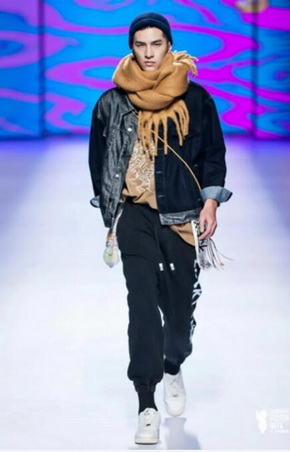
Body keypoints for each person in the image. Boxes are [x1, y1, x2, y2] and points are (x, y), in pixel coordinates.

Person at [88, 12, 232, 445]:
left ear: (169, 45)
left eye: (156, 44)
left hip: (181, 215)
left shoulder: (196, 98)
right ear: (131, 48)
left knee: (178, 314)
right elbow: (99, 160)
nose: (149, 53)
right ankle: (146, 402)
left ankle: (173, 363)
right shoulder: (112, 103)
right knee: (142, 304)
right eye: (141, 45)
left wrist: (210, 203)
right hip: (134, 214)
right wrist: (111, 212)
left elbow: (213, 153)